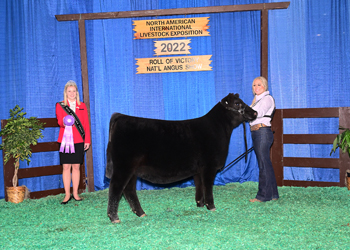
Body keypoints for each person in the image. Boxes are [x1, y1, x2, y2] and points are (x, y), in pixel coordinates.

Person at [56, 80, 91, 204]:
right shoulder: (60, 105)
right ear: (66, 92)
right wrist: (65, 121)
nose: (72, 93)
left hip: (79, 141)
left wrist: (87, 140)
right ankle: (67, 194)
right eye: (69, 91)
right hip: (65, 140)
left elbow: (86, 124)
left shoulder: (82, 106)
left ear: (77, 93)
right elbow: (59, 121)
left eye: (74, 91)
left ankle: (75, 193)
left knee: (76, 167)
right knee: (66, 167)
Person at [249, 76, 279, 202]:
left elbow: (257, 114)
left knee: (263, 164)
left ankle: (263, 196)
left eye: (259, 85)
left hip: (262, 132)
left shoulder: (267, 99)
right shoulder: (256, 100)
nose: (256, 87)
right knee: (265, 163)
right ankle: (273, 194)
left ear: (265, 86)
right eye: (254, 85)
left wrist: (245, 112)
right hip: (257, 132)